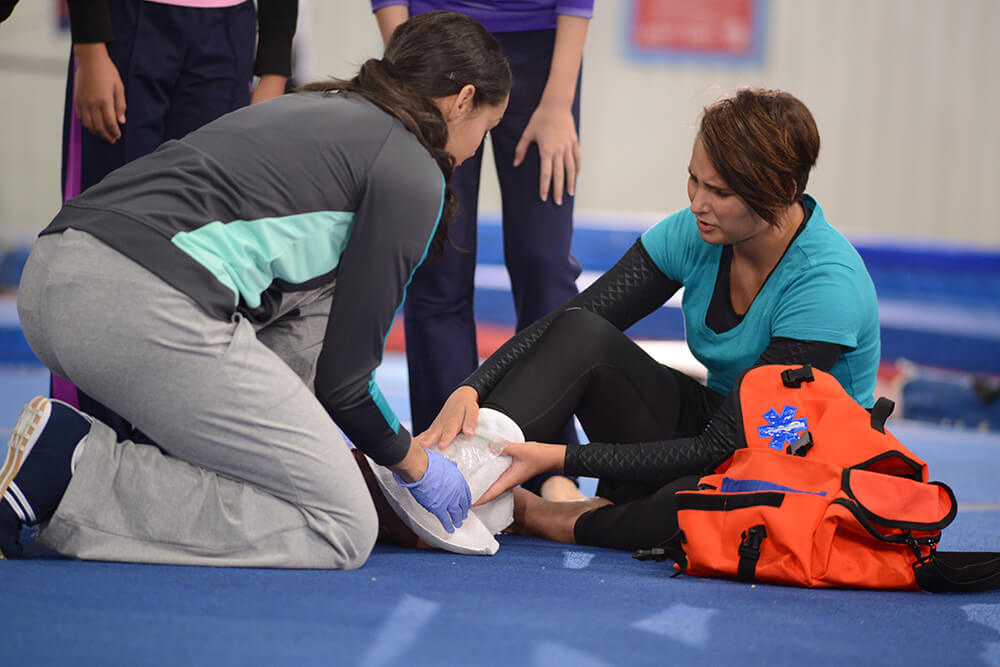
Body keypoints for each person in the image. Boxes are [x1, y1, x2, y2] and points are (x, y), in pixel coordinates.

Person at [0, 11, 512, 567]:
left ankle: (115, 466)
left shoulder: (316, 105)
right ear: (462, 101)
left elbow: (308, 345)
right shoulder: (413, 171)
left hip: (54, 278)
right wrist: (413, 463)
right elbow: (346, 386)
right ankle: (78, 467)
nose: (471, 152)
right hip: (134, 301)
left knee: (295, 445)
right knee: (342, 523)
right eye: (485, 130)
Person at [419, 88, 882, 551]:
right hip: (714, 420)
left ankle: (544, 515)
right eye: (693, 180)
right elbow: (568, 325)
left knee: (693, 505)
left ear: (782, 192)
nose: (698, 202)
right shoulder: (696, 229)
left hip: (797, 454)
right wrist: (472, 387)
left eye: (719, 192)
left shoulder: (825, 285)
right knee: (582, 332)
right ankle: (456, 478)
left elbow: (720, 449)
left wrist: (559, 458)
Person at [370, 1, 593, 501]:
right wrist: (409, 62)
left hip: (540, 46)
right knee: (440, 262)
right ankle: (446, 458)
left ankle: (548, 461)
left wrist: (558, 101)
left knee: (545, 262)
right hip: (433, 40)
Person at [55, 0, 299, 442]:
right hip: (128, 25)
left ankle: (168, 455)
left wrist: (275, 68)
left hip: (228, 35)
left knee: (201, 258)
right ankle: (90, 449)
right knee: (109, 249)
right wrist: (90, 45)